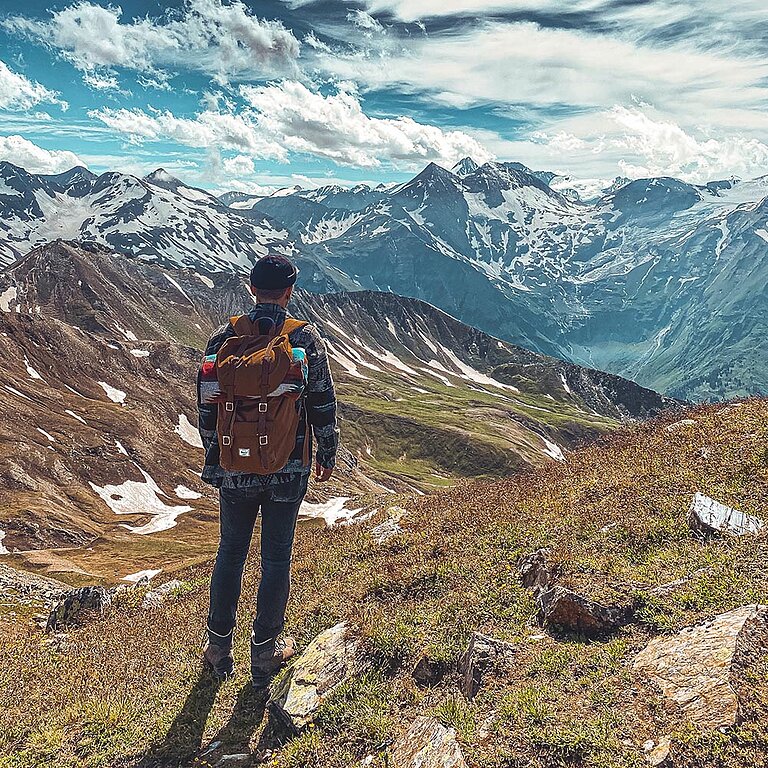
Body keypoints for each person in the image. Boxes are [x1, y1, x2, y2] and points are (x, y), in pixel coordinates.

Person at [196, 254, 339, 688]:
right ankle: (266, 652)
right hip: (287, 467)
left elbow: (207, 404)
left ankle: (219, 648)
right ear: (290, 292)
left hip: (234, 469)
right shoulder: (304, 340)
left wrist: (219, 455)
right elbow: (322, 403)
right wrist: (326, 454)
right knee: (276, 557)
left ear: (252, 288)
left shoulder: (221, 341)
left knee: (230, 553)